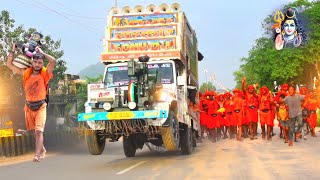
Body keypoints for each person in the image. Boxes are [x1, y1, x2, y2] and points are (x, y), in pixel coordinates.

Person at [6, 43, 56, 162]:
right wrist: (13, 50)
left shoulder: (45, 74)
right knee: (34, 132)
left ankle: (37, 155)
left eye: (40, 63)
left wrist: (42, 53)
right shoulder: (26, 73)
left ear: (42, 63)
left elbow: (53, 61)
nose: (38, 65)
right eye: (35, 62)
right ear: (32, 62)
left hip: (41, 106)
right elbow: (9, 64)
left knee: (39, 131)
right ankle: (42, 149)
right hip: (28, 107)